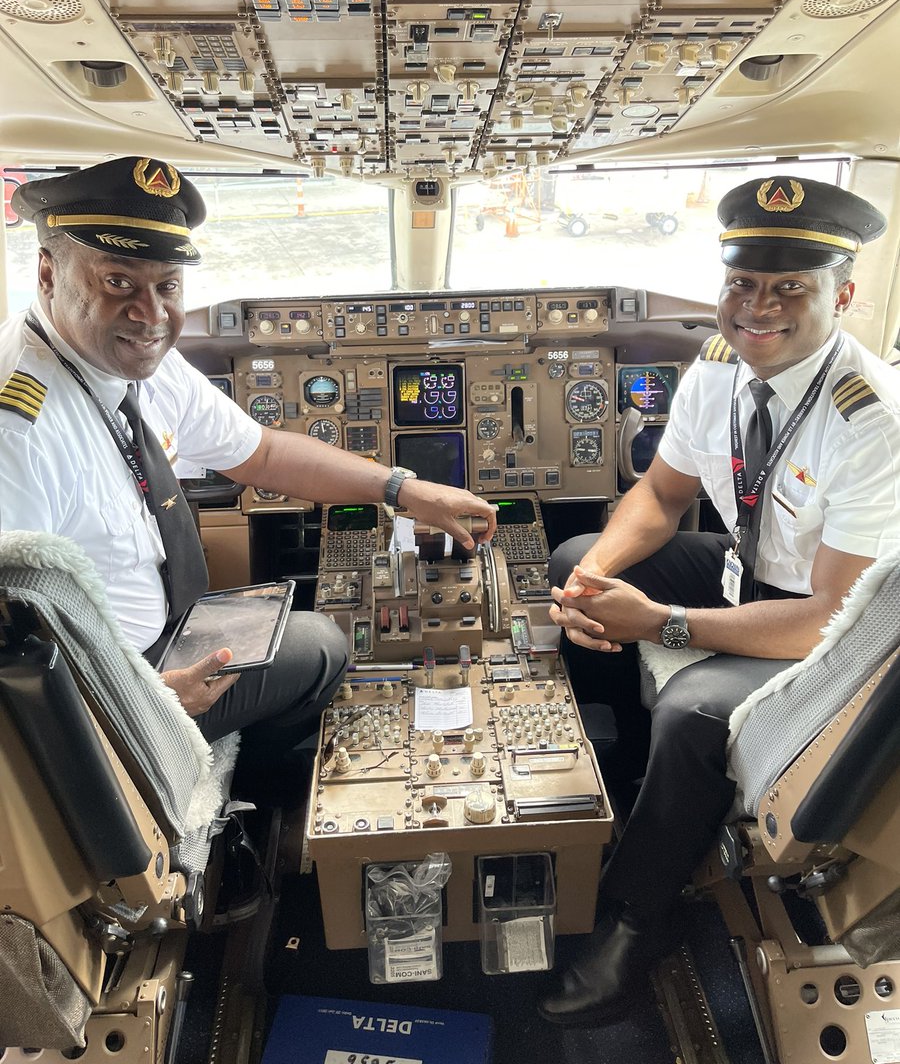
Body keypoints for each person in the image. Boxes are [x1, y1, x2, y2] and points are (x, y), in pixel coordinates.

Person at [0, 156, 497, 782]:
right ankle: (255, 804)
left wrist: (403, 489)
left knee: (286, 615)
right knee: (323, 647)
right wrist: (146, 699)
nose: (151, 315)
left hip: (166, 631)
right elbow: (12, 647)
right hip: (114, 691)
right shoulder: (18, 427)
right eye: (119, 282)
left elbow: (260, 453)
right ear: (48, 272)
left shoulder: (131, 362)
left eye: (168, 286)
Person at [540, 175, 900, 1026]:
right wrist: (599, 582)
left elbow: (829, 618)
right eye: (744, 282)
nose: (757, 306)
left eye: (790, 288)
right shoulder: (718, 368)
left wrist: (662, 622)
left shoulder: (872, 419)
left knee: (696, 713)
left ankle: (638, 922)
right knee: (577, 555)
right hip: (749, 574)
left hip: (837, 639)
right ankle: (622, 782)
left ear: (842, 296)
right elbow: (662, 498)